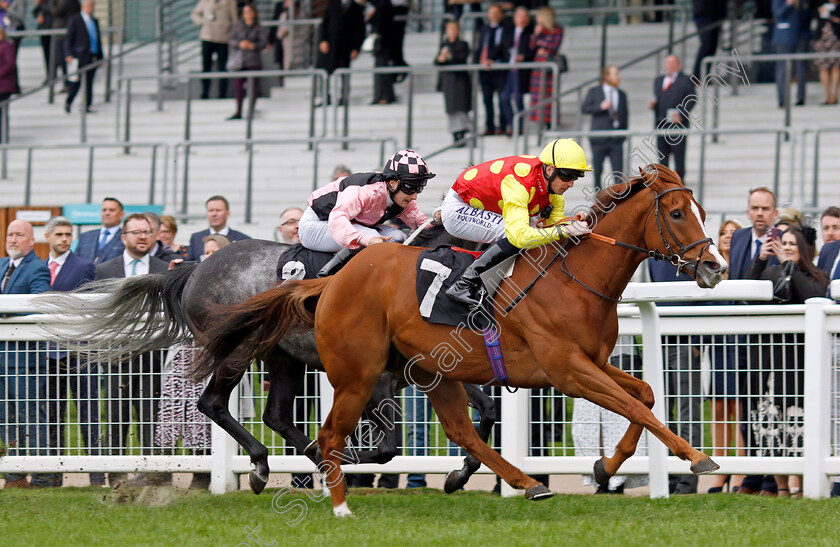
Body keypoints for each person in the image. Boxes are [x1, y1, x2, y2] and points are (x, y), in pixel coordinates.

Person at [442, 138, 592, 308]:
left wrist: (571, 222)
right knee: (512, 234)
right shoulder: (519, 183)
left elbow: (553, 229)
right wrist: (567, 230)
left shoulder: (555, 192)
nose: (571, 184)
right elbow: (519, 237)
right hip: (458, 208)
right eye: (567, 176)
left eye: (576, 177)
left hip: (489, 206)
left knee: (533, 233)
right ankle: (464, 285)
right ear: (549, 170)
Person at [745, 226, 828, 498]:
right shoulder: (769, 273)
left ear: (803, 248)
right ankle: (780, 486)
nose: (788, 246)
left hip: (798, 362)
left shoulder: (816, 276)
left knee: (798, 423)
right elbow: (747, 291)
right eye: (784, 243)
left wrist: (789, 266)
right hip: (768, 360)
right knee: (772, 425)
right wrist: (760, 258)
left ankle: (801, 485)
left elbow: (809, 295)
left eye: (793, 243)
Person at [95, 213, 170, 486]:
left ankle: (157, 478)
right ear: (123, 237)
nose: (143, 237)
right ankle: (116, 478)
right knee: (116, 417)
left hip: (154, 356)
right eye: (137, 232)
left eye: (147, 232)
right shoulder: (105, 270)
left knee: (152, 418)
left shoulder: (165, 270)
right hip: (118, 357)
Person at [155, 234, 230, 491]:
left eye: (214, 252)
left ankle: (202, 475)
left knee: (202, 417)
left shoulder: (233, 283)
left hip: (214, 358)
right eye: (206, 252)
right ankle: (163, 471)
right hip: (184, 356)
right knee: (173, 413)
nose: (208, 257)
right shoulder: (193, 279)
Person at [298, 149, 436, 276]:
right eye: (411, 188)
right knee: (371, 236)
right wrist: (367, 239)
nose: (414, 196)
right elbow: (337, 220)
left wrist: (439, 218)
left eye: (418, 189)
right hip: (317, 224)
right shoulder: (365, 191)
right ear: (393, 183)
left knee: (398, 236)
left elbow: (423, 225)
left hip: (350, 223)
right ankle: (325, 276)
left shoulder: (401, 196)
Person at [41, 216, 102, 487]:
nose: (64, 239)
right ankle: (54, 474)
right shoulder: (40, 267)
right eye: (59, 234)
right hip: (46, 353)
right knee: (53, 413)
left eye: (68, 235)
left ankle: (97, 475)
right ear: (48, 237)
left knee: (88, 412)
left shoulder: (83, 265)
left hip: (79, 352)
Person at [727, 187, 780, 496]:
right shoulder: (739, 238)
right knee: (747, 405)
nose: (760, 213)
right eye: (755, 208)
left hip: (770, 337)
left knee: (770, 407)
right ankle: (753, 471)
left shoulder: (783, 239)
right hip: (741, 336)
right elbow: (735, 283)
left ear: (774, 213)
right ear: (748, 212)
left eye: (765, 208)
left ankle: (774, 476)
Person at [1, 220, 51, 489]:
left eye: (19, 235)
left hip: (24, 359)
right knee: (4, 418)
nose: (13, 239)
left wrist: (6, 315)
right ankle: (14, 475)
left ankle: (43, 476)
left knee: (30, 416)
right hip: (0, 359)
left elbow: (41, 304)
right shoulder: (0, 265)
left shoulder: (38, 268)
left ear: (32, 241)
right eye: (10, 234)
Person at [706, 219, 745, 493]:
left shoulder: (744, 264)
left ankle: (741, 471)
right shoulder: (712, 266)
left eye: (733, 233)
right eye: (723, 233)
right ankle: (720, 471)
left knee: (739, 408)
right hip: (717, 346)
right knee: (719, 408)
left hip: (741, 345)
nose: (728, 237)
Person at [648, 55, 695, 181]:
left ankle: (679, 181)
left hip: (677, 125)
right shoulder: (659, 80)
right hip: (661, 124)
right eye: (668, 64)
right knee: (662, 156)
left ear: (678, 65)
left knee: (679, 155)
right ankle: (664, 181)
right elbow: (656, 97)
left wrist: (681, 114)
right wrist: (653, 104)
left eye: (673, 64)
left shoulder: (685, 80)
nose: (670, 66)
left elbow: (692, 99)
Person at [581, 65, 629, 189]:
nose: (618, 77)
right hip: (599, 138)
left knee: (618, 173)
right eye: (615, 74)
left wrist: (622, 135)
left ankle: (619, 199)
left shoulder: (622, 94)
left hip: (616, 139)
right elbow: (585, 108)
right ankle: (598, 198)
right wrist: (600, 107)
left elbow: (625, 115)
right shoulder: (594, 91)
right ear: (607, 76)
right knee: (598, 171)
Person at [315, 0, 365, 106]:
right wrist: (323, 40)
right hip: (330, 46)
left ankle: (344, 97)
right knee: (325, 72)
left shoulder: (357, 8)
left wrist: (356, 48)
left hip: (345, 48)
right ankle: (325, 97)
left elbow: (360, 30)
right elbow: (324, 24)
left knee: (344, 74)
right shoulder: (332, 4)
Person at [474, 4, 513, 136]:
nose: (494, 15)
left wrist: (492, 58)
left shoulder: (506, 29)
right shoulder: (484, 29)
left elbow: (503, 47)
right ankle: (489, 126)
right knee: (487, 98)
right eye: (492, 12)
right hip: (484, 69)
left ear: (501, 14)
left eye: (497, 12)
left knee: (501, 98)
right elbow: (480, 47)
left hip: (499, 67)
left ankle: (502, 125)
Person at [226, 2, 268, 121]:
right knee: (238, 86)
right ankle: (238, 110)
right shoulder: (238, 26)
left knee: (253, 87)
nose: (247, 14)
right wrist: (240, 44)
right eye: (245, 12)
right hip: (240, 61)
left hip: (253, 61)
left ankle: (251, 110)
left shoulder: (258, 28)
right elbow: (231, 40)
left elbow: (264, 43)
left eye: (249, 12)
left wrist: (252, 45)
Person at [435, 19, 472, 147]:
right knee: (451, 108)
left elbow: (461, 59)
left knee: (461, 107)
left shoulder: (462, 44)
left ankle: (463, 129)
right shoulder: (444, 44)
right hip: (448, 81)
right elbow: (437, 61)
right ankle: (455, 132)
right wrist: (441, 58)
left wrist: (448, 57)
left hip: (460, 80)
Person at [191, 0, 237, 100]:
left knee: (223, 67)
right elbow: (195, 14)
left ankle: (222, 94)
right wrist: (202, 22)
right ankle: (205, 92)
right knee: (206, 66)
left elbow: (234, 20)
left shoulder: (230, 1)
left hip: (223, 37)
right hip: (207, 37)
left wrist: (231, 36)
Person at [772, 0, 814, 107]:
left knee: (801, 67)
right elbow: (777, 13)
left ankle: (801, 98)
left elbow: (808, 15)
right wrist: (788, 3)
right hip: (784, 36)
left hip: (801, 36)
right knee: (782, 68)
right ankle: (782, 98)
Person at [63, 0, 101, 114]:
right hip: (79, 56)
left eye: (93, 6)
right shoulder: (75, 20)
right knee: (76, 82)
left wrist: (100, 56)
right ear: (83, 7)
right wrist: (68, 54)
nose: (91, 9)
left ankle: (87, 105)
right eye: (89, 6)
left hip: (92, 56)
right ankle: (69, 102)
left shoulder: (94, 21)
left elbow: (97, 40)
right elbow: (68, 39)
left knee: (89, 82)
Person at [185, 195, 250, 261]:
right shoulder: (196, 238)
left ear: (227, 214)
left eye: (218, 210)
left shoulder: (242, 240)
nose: (214, 214)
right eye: (211, 210)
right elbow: (190, 264)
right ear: (207, 214)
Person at [500, 7, 533, 135]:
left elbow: (532, 51)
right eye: (520, 16)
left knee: (518, 98)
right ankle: (511, 125)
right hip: (507, 70)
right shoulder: (508, 33)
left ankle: (520, 126)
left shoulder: (530, 34)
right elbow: (501, 49)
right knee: (504, 97)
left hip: (521, 71)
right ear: (514, 18)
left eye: (525, 16)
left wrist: (524, 56)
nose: (522, 19)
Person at [528, 6, 563, 127]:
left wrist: (542, 45)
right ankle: (539, 119)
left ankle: (550, 121)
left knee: (549, 94)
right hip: (539, 65)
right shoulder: (539, 30)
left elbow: (554, 47)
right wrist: (536, 35)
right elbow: (532, 47)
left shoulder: (557, 30)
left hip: (549, 65)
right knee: (537, 94)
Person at [74, 197, 126, 264]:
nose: (107, 213)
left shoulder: (126, 237)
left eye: (111, 210)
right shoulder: (85, 237)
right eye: (104, 210)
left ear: (121, 215)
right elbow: (76, 263)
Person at [368, 0, 397, 105]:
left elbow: (380, 22)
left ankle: (386, 96)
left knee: (383, 71)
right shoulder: (381, 6)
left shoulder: (384, 6)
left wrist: (372, 17)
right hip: (381, 43)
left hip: (384, 43)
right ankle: (379, 95)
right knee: (379, 70)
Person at [691, 0, 727, 79]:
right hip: (704, 13)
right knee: (707, 44)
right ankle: (697, 76)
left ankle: (703, 75)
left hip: (717, 14)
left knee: (712, 46)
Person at [815, 0, 840, 105]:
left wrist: (829, 14)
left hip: (836, 37)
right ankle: (827, 95)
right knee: (823, 67)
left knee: (836, 66)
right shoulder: (819, 2)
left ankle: (834, 95)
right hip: (822, 38)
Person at [0, 26, 16, 144]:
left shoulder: (7, 45)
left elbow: (10, 64)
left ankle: (3, 137)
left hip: (3, 86)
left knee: (2, 112)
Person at [269, 0, 289, 86]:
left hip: (294, 39)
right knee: (281, 61)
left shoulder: (298, 4)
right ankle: (282, 82)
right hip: (281, 39)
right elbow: (275, 21)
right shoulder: (279, 5)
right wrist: (270, 40)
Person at [34, 0, 53, 82]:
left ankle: (52, 74)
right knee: (47, 55)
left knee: (52, 55)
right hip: (43, 31)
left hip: (50, 31)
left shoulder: (50, 3)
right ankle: (49, 74)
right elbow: (35, 12)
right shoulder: (41, 4)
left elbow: (53, 11)